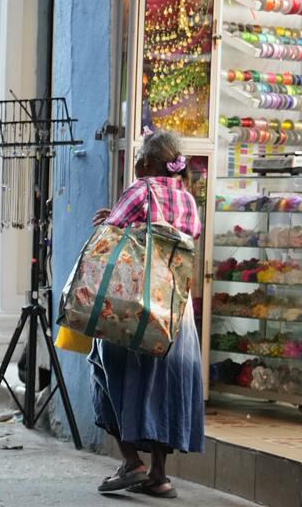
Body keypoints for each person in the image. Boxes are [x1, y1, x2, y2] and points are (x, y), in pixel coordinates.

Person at [90, 129, 203, 499]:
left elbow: (110, 237)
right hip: (174, 311)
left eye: (139, 158)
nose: (136, 164)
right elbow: (181, 240)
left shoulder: (140, 190)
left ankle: (131, 461)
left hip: (134, 307)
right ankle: (158, 473)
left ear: (148, 163)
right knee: (164, 387)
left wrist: (110, 222)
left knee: (107, 372)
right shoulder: (188, 199)